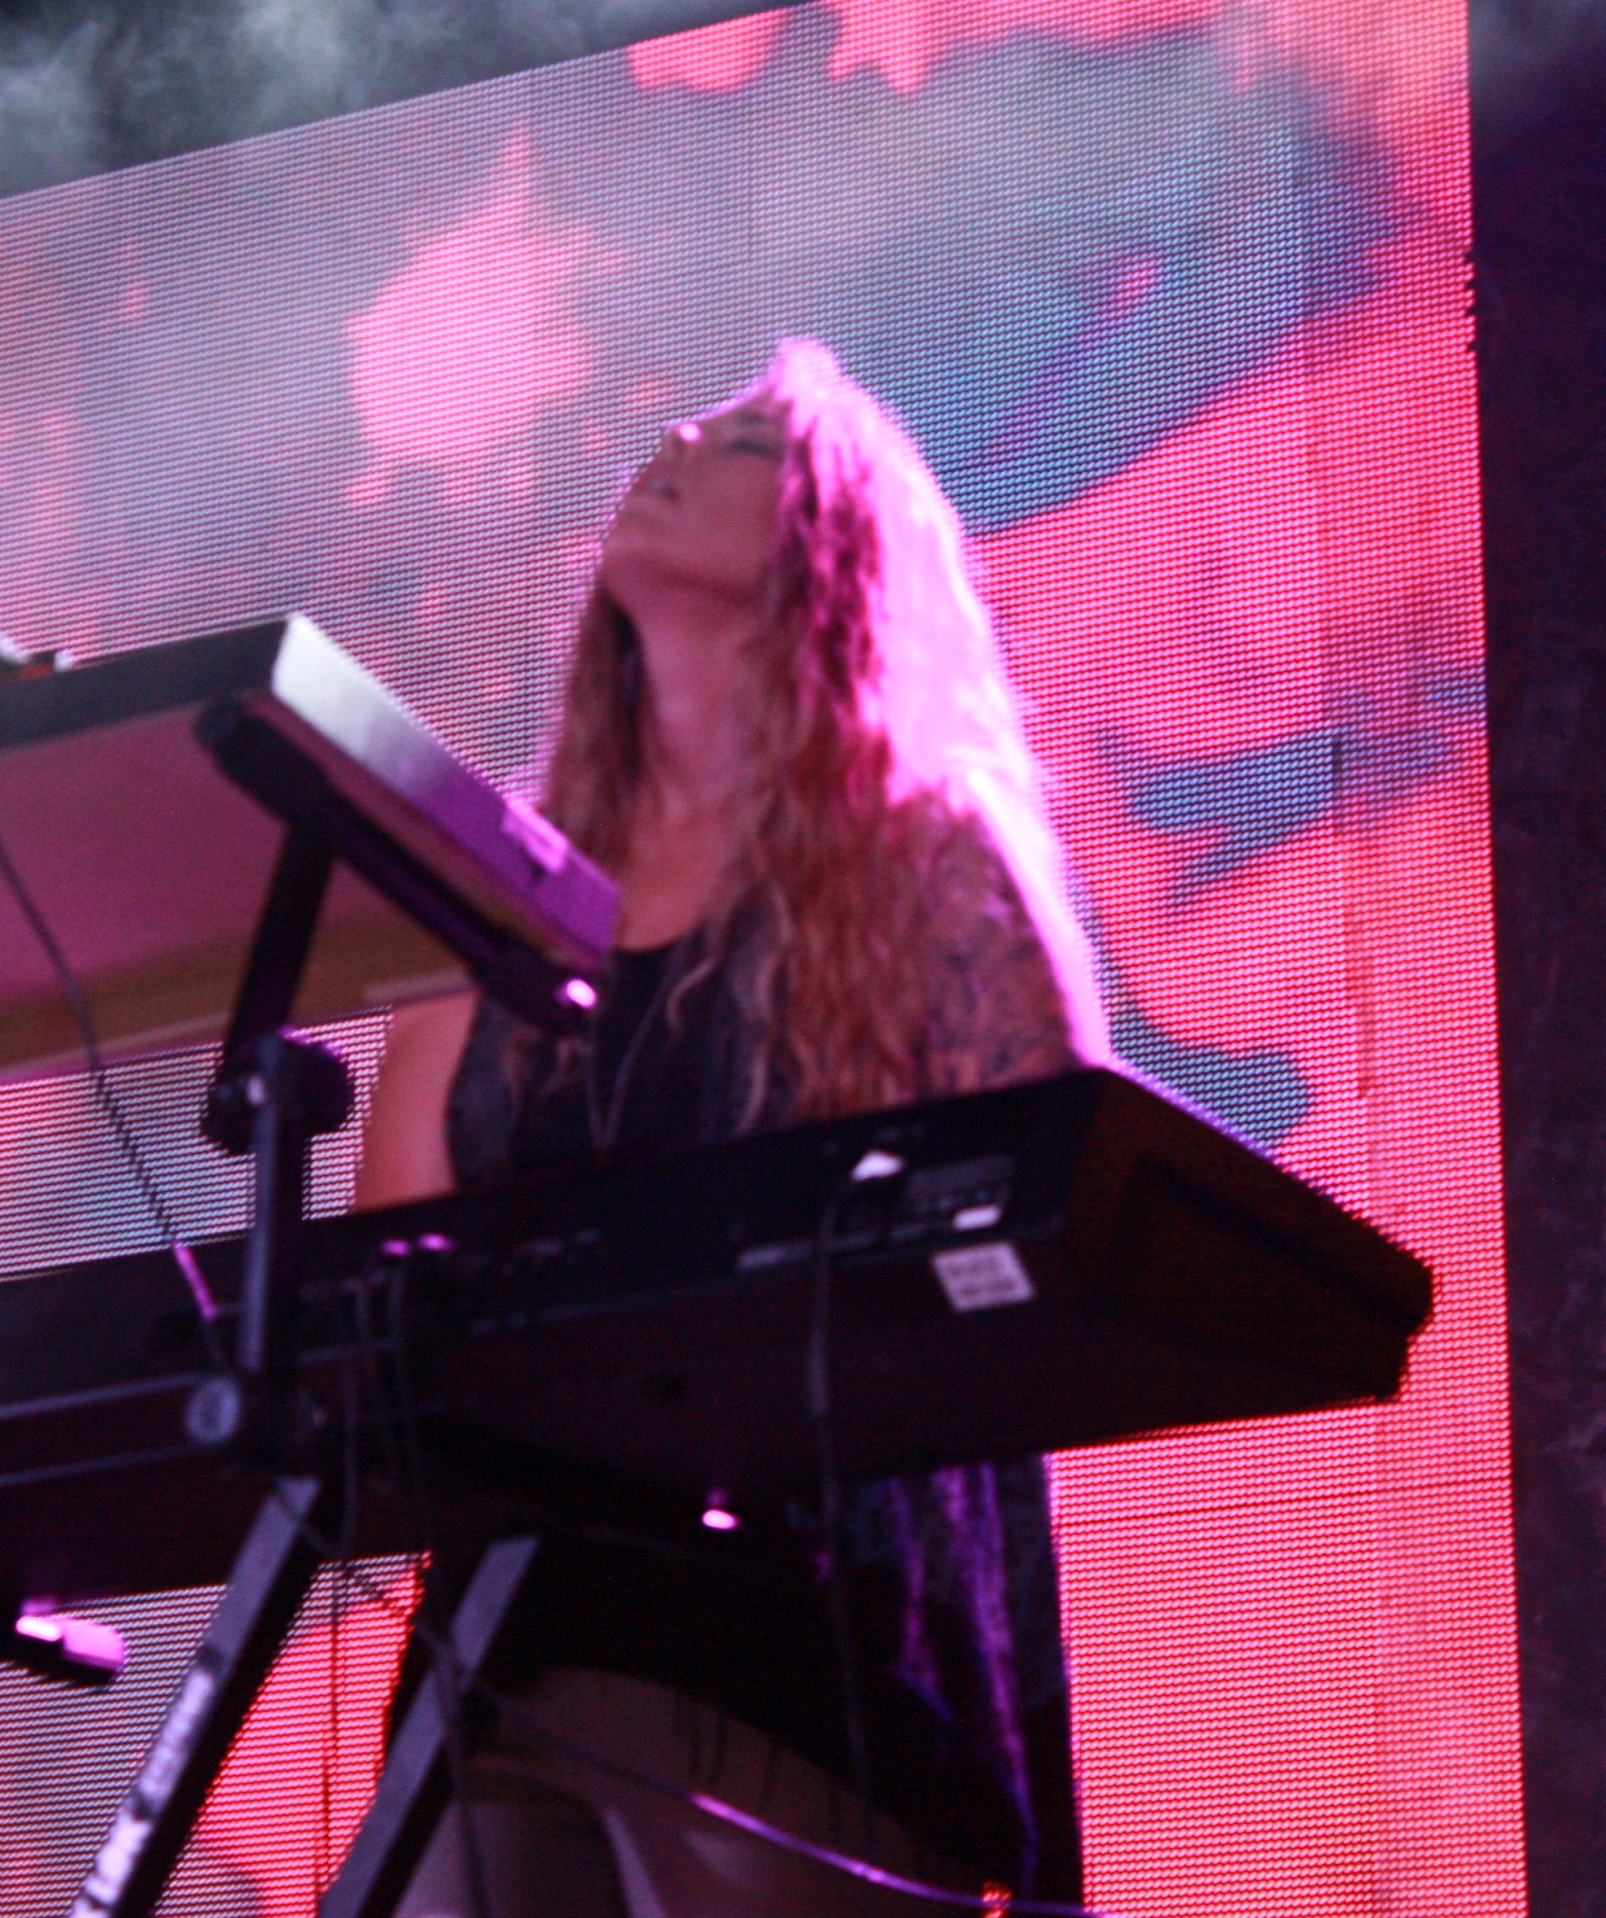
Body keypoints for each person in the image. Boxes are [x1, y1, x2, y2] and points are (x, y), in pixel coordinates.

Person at [356, 339, 1110, 1916]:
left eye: (748, 443)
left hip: (817, 1654)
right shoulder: (492, 913)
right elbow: (386, 1309)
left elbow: (1059, 1250)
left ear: (835, 554)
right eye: (687, 428)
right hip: (507, 1647)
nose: (678, 440)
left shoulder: (928, 876)